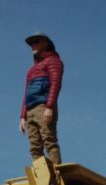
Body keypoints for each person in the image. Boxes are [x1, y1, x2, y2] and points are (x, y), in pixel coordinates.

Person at [19, 31, 64, 164]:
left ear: (45, 43)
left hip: (43, 106)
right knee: (34, 147)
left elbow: (55, 84)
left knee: (49, 140)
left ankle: (55, 175)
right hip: (30, 110)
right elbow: (26, 93)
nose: (33, 45)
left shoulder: (54, 62)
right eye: (31, 43)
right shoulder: (32, 70)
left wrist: (49, 107)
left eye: (36, 42)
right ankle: (42, 176)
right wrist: (22, 116)